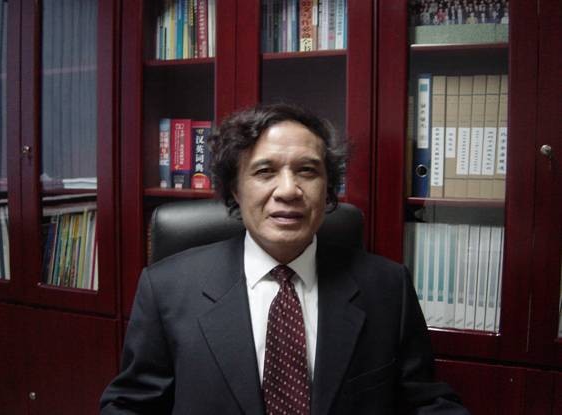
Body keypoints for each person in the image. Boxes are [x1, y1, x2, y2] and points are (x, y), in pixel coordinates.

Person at [100, 104, 469, 414]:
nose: (289, 190)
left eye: (307, 171)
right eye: (265, 172)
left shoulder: (388, 288)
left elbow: (426, 403)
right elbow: (129, 406)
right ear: (235, 189)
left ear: (327, 188)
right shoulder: (166, 289)